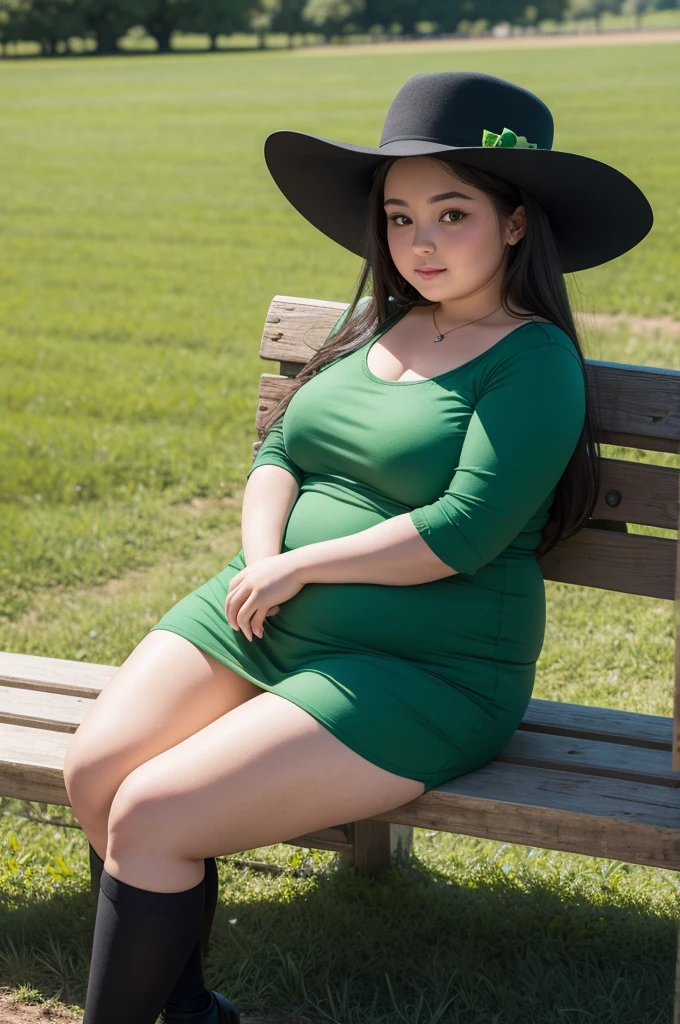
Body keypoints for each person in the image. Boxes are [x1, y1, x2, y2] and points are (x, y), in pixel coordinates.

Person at [63, 70, 653, 1024]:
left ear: (514, 224)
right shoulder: (377, 320)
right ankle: (190, 1015)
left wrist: (300, 565)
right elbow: (282, 451)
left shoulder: (532, 360)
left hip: (419, 667)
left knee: (153, 815)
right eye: (400, 216)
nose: (419, 243)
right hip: (264, 604)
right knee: (97, 775)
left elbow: (463, 531)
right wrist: (263, 558)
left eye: (451, 213)